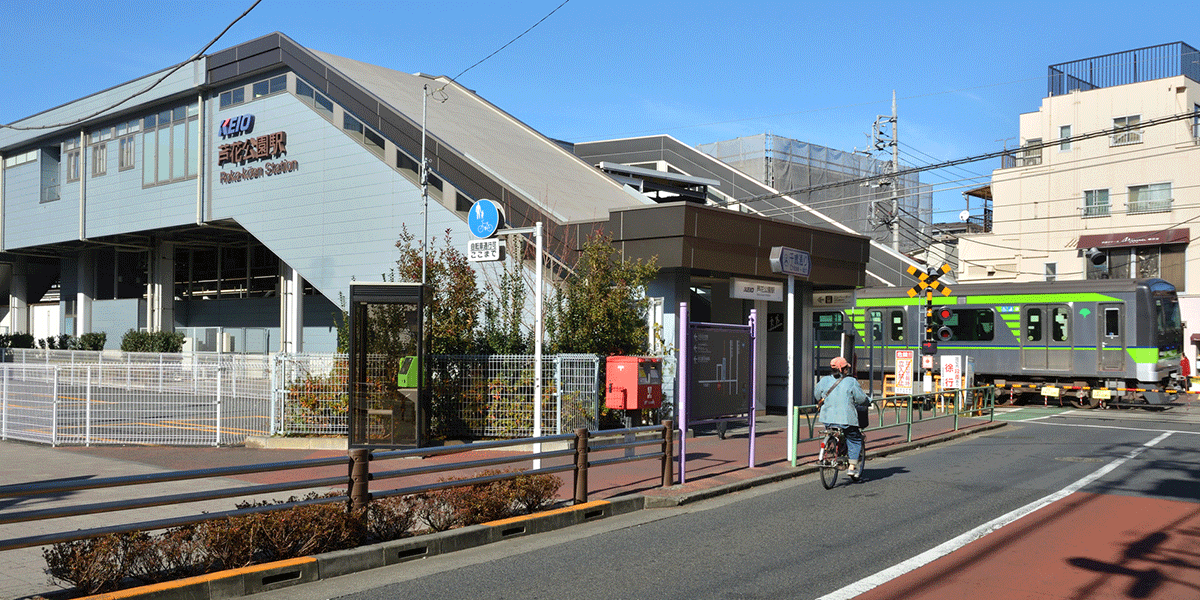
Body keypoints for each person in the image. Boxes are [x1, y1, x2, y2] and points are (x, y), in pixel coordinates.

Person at [815, 356, 871, 480]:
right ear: (843, 370)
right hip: (846, 419)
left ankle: (833, 451)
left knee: (835, 433)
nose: (847, 370)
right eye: (846, 368)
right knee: (855, 439)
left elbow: (816, 394)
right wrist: (868, 401)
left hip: (827, 418)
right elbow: (861, 399)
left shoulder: (824, 381)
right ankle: (852, 467)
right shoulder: (851, 382)